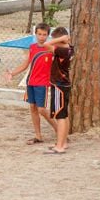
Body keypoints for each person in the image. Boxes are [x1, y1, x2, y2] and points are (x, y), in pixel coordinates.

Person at [5, 23, 57, 145]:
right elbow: (25, 64)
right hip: (31, 82)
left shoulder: (51, 48)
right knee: (33, 108)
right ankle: (38, 136)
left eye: (44, 35)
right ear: (35, 34)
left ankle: (59, 130)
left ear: (48, 36)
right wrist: (12, 73)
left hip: (42, 83)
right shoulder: (32, 47)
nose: (41, 37)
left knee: (42, 109)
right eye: (39, 34)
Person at [40, 26, 73, 155]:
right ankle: (63, 143)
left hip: (59, 85)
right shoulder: (69, 48)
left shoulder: (62, 50)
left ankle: (59, 147)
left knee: (60, 116)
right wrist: (63, 39)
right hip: (63, 85)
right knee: (64, 115)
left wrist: (61, 39)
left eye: (56, 40)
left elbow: (45, 44)